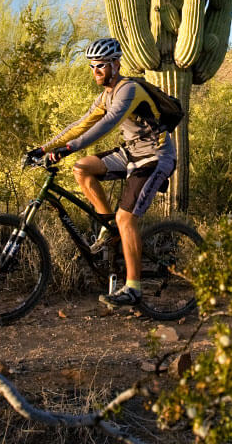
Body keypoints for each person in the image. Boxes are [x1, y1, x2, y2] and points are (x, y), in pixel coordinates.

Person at [30, 37, 176, 307]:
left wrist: (68, 148)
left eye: (100, 65)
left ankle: (133, 288)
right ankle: (108, 228)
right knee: (82, 168)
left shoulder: (128, 90)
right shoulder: (105, 96)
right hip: (131, 152)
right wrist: (43, 148)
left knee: (126, 219)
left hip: (155, 156)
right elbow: (81, 124)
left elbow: (107, 124)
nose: (95, 71)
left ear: (115, 64)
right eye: (91, 66)